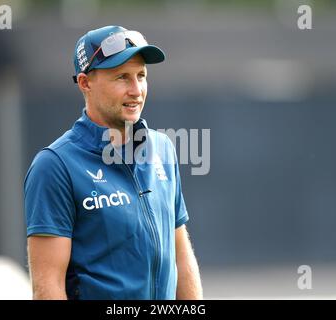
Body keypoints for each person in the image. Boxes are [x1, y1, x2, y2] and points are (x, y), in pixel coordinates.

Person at [24, 25, 203, 300]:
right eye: (122, 77)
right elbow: (48, 288)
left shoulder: (163, 148)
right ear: (85, 83)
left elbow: (180, 253)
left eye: (141, 76)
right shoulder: (55, 165)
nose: (136, 90)